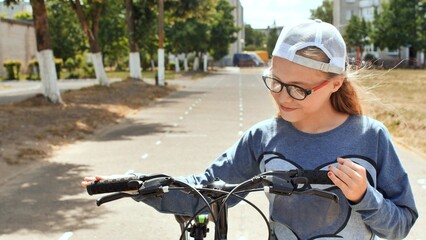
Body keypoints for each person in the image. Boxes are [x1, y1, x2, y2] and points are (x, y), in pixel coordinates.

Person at [82, 19, 418, 239]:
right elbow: (205, 193)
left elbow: (400, 224)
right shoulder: (263, 138)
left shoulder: (370, 138)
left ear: (335, 84)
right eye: (275, 82)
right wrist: (137, 186)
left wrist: (364, 196)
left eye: (298, 88)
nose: (282, 96)